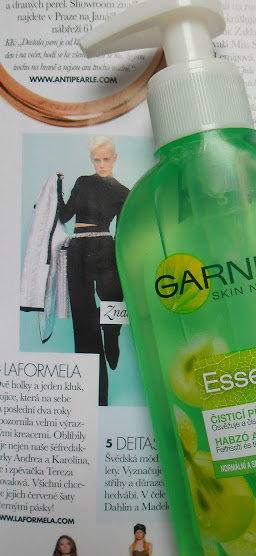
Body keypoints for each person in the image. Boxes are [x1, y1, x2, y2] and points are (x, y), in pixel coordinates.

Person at [57, 135, 129, 405]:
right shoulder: (83, 182)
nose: (101, 164)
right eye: (97, 159)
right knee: (83, 317)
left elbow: (123, 232)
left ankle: (112, 336)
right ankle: (94, 393)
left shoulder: (123, 192)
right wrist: (58, 187)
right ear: (91, 160)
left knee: (114, 299)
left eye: (106, 159)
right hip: (78, 249)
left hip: (105, 247)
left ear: (114, 159)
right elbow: (64, 216)